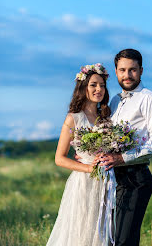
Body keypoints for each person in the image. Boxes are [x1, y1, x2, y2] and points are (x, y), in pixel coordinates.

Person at [95, 49, 152, 246]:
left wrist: (122, 158)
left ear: (141, 71)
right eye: (122, 70)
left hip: (135, 178)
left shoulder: (150, 99)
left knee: (124, 242)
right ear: (116, 72)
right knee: (109, 240)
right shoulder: (115, 100)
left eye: (132, 70)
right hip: (112, 179)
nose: (127, 75)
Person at [46, 63, 111, 246]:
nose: (99, 89)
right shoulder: (74, 118)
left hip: (106, 183)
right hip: (83, 182)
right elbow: (59, 158)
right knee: (81, 231)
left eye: (102, 85)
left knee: (101, 232)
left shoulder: (106, 117)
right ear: (83, 87)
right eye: (93, 85)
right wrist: (89, 167)